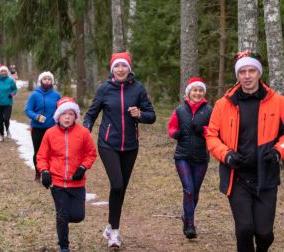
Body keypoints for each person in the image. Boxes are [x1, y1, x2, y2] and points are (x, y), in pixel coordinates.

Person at [206, 51, 284, 252]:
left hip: (266, 175)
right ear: (237, 75)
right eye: (243, 71)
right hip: (237, 176)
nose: (247, 76)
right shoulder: (224, 104)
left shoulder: (278, 101)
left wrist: (277, 152)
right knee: (244, 230)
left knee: (265, 234)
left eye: (251, 71)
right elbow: (211, 135)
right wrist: (226, 154)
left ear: (259, 73)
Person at [83, 51, 156, 249]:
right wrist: (85, 129)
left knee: (121, 188)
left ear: (129, 69)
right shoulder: (104, 89)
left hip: (131, 146)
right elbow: (91, 114)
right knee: (116, 184)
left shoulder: (138, 89)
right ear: (112, 69)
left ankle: (111, 227)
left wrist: (140, 114)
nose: (120, 69)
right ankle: (114, 233)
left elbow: (152, 115)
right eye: (117, 66)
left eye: (124, 66)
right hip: (108, 144)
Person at [37, 97, 97, 252]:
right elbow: (42, 156)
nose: (68, 117)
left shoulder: (83, 133)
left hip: (77, 183)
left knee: (78, 216)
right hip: (57, 183)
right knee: (62, 215)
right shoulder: (50, 133)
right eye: (64, 114)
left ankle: (61, 220)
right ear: (58, 116)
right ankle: (64, 246)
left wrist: (83, 167)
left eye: (71, 114)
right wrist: (44, 171)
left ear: (75, 116)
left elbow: (91, 153)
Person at [167, 77, 212, 239]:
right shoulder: (180, 110)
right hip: (182, 156)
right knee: (188, 189)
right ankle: (190, 225)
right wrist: (175, 134)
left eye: (200, 90)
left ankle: (186, 216)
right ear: (189, 93)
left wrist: (203, 130)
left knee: (195, 192)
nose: (198, 93)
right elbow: (171, 127)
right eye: (195, 90)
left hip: (201, 157)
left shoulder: (209, 110)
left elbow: (214, 131)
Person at [25, 71, 61, 181]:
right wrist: (36, 117)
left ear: (52, 81)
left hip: (52, 128)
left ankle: (50, 172)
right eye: (45, 79)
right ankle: (38, 172)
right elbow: (28, 110)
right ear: (40, 81)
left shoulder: (56, 95)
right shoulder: (34, 95)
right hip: (37, 128)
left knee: (52, 151)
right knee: (39, 151)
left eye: (49, 79)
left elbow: (60, 109)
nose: (47, 81)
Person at [0, 66, 17, 142]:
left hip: (8, 103)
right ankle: (1, 135)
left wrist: (11, 94)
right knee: (1, 120)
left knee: (6, 119)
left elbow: (15, 89)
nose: (3, 73)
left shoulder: (10, 80)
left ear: (7, 72)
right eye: (2, 71)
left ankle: (7, 130)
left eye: (5, 71)